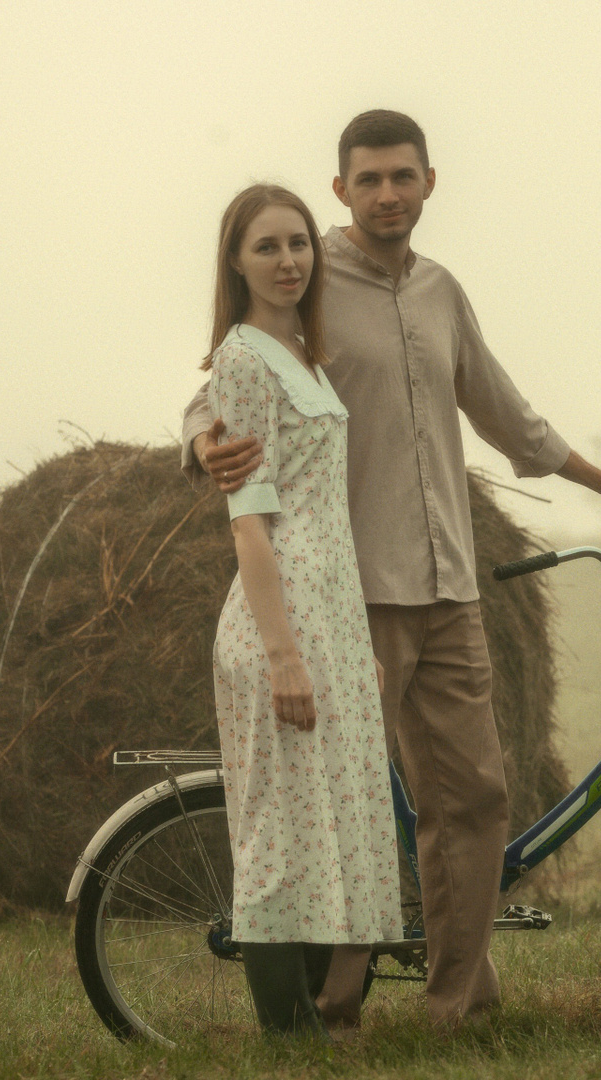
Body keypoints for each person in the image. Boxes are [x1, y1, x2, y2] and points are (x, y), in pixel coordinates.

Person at [183, 111, 601, 1029]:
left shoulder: (443, 291)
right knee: (346, 805)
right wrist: (203, 440)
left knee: (475, 796)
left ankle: (459, 1007)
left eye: (403, 177)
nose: (387, 195)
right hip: (349, 594)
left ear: (430, 183)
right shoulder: (309, 275)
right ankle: (331, 1005)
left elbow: (504, 410)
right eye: (368, 180)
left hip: (450, 585)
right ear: (341, 190)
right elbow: (223, 383)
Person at [201, 183, 402, 1040]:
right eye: (267, 247)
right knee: (281, 833)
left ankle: (323, 1019)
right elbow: (250, 523)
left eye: (298, 244)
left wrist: (351, 642)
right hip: (279, 618)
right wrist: (283, 654)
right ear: (235, 262)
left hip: (331, 615)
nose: (288, 261)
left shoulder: (302, 356)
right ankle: (288, 1038)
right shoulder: (243, 359)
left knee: (331, 823)